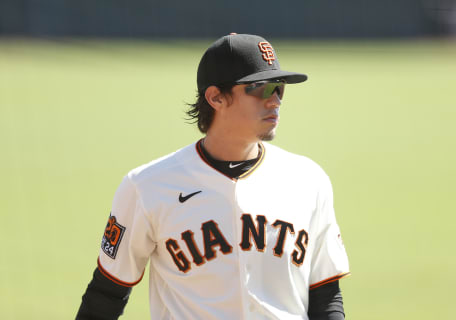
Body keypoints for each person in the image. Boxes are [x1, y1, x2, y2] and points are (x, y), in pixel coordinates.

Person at [76, 33, 350, 320]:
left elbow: (325, 296)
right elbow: (105, 296)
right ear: (216, 97)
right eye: (262, 88)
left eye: (280, 88)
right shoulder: (147, 187)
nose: (276, 100)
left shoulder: (308, 180)